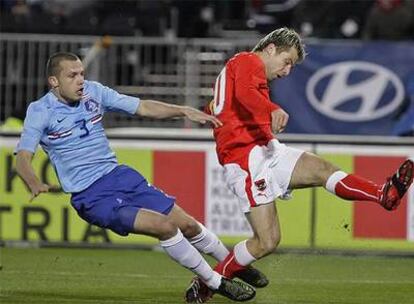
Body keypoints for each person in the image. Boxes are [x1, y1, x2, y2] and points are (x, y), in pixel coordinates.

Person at [187, 27, 414, 302]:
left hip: (265, 149)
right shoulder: (247, 60)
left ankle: (384, 194)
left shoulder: (241, 69)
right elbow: (246, 95)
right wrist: (271, 109)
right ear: (271, 48)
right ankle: (207, 284)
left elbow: (227, 103)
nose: (286, 72)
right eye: (287, 62)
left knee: (322, 169)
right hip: (246, 159)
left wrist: (219, 113)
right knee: (266, 241)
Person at [15, 52, 258, 303]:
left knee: (188, 224)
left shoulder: (94, 92)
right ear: (54, 81)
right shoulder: (40, 110)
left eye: (82, 74)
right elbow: (22, 156)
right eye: (72, 75)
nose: (80, 80)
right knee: (164, 226)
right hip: (93, 197)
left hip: (120, 177)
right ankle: (216, 282)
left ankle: (232, 264)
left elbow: (142, 106)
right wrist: (32, 181)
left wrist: (183, 110)